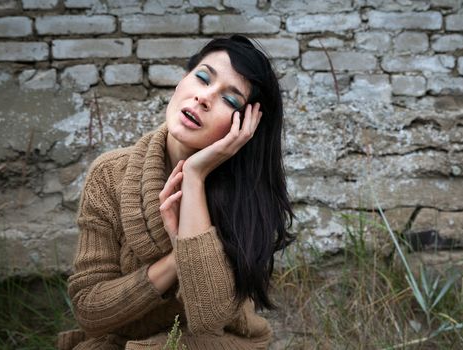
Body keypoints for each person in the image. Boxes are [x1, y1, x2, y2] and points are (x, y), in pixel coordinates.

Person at [57, 35, 295, 349]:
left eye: (231, 100)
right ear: (183, 79)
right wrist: (176, 258)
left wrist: (194, 177)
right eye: (202, 77)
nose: (204, 98)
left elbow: (209, 320)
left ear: (245, 127)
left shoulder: (246, 199)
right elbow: (89, 310)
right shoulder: (110, 175)